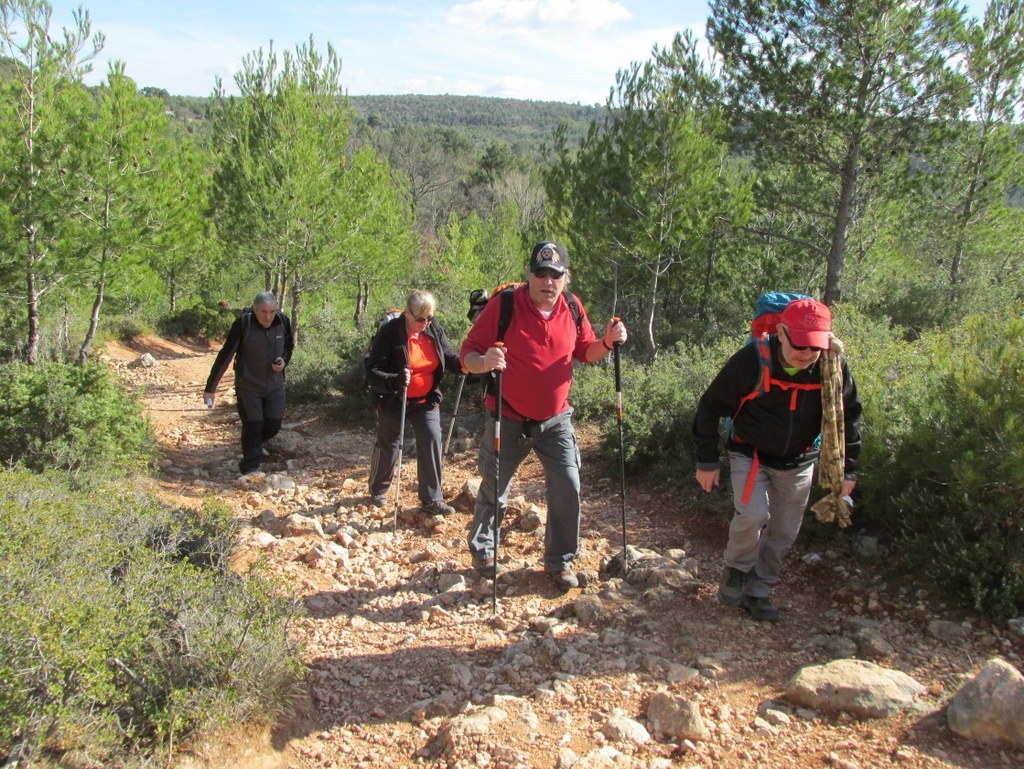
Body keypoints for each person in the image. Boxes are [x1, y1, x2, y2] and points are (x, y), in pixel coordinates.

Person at [460, 241, 628, 591]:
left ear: (565, 279)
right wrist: (485, 361)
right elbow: (467, 356)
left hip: (556, 420)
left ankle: (559, 561)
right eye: (540, 273)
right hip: (507, 415)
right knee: (495, 486)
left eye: (555, 275)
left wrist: (609, 343)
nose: (547, 281)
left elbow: (585, 351)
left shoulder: (572, 306)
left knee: (568, 485)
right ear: (529, 275)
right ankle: (485, 551)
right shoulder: (504, 305)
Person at [693, 298, 862, 622]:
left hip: (800, 460)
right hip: (750, 452)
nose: (806, 353)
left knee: (785, 531)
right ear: (782, 333)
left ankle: (759, 590)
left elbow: (849, 417)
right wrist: (707, 461)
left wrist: (848, 469)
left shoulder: (832, 367)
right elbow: (710, 406)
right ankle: (737, 570)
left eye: (814, 346)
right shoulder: (752, 361)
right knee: (754, 514)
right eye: (799, 343)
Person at [365, 289, 462, 516]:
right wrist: (395, 380)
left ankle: (432, 500)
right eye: (421, 319)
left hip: (425, 398)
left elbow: (448, 355)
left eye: (430, 318)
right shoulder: (390, 333)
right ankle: (378, 489)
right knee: (389, 443)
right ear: (407, 313)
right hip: (393, 398)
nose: (426, 323)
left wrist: (464, 364)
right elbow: (372, 372)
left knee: (431, 438)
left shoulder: (432, 328)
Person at [204, 291, 293, 475]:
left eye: (272, 311)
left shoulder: (282, 322)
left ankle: (255, 444)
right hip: (248, 386)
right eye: (263, 312)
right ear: (254, 310)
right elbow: (225, 356)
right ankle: (249, 468)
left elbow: (289, 346)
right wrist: (211, 388)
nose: (268, 316)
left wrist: (283, 361)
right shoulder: (243, 325)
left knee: (273, 425)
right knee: (253, 424)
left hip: (275, 385)